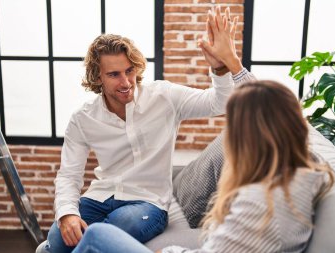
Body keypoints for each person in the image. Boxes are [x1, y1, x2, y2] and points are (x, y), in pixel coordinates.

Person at [68, 6, 334, 253]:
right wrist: (230, 64)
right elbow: (268, 106)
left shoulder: (256, 201)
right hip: (106, 197)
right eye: (114, 74)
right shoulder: (307, 173)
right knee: (73, 238)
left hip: (155, 211)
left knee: (95, 237)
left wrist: (168, 251)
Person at [43, 5, 255, 253]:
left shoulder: (163, 96)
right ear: (97, 77)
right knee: (58, 238)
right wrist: (67, 213)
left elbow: (220, 103)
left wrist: (220, 69)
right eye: (114, 75)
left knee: (117, 227)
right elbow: (69, 174)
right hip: (99, 197)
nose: (125, 82)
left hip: (147, 203)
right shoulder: (83, 118)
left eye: (129, 71)